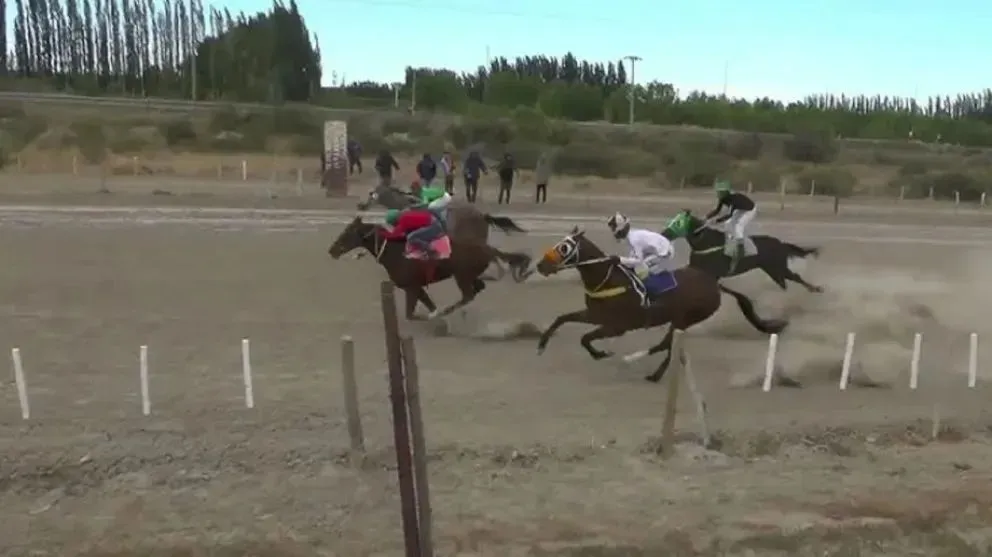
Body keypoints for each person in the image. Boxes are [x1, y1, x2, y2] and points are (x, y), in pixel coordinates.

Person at [606, 212, 676, 300]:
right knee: (636, 267)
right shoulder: (631, 236)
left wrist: (620, 259)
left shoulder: (634, 239)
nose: (613, 233)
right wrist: (623, 262)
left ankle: (656, 296)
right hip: (659, 249)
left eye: (613, 229)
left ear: (620, 229)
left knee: (641, 271)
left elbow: (638, 260)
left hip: (665, 253)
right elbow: (633, 257)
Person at [704, 180, 757, 273]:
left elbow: (729, 215)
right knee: (728, 224)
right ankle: (730, 241)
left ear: (726, 192)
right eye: (718, 191)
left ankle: (740, 249)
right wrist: (706, 217)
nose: (718, 193)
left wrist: (716, 221)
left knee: (738, 226)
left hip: (749, 210)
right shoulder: (723, 198)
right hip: (740, 209)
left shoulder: (733, 199)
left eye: (720, 192)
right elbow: (717, 210)